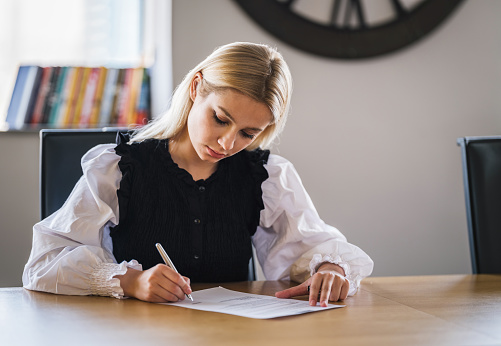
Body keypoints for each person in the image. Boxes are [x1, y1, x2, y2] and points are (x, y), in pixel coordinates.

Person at [23, 42, 373, 307]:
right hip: (133, 333)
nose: (227, 142)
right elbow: (43, 263)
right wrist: (131, 281)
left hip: (232, 337)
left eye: (248, 133)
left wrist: (330, 268)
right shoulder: (117, 168)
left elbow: (311, 246)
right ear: (195, 90)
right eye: (221, 119)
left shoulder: (267, 177)